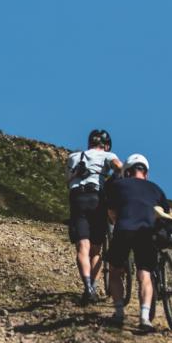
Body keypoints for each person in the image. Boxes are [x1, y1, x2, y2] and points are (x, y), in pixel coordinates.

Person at [106, 154, 172, 331]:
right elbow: (168, 213)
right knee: (145, 274)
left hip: (124, 228)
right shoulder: (156, 189)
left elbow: (111, 213)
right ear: (146, 173)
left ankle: (119, 313)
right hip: (146, 232)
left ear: (127, 172)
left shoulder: (118, 185)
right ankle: (144, 318)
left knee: (114, 271)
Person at [66, 129, 122, 304]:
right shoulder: (107, 154)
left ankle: (87, 288)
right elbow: (119, 166)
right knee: (95, 250)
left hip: (77, 199)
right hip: (96, 199)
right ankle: (94, 287)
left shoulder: (73, 157)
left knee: (82, 247)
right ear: (105, 145)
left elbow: (68, 179)